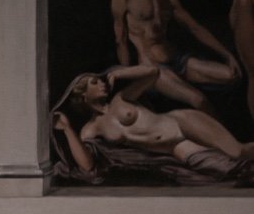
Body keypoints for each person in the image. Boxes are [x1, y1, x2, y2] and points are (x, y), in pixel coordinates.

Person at [52, 65, 254, 177]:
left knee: (238, 151)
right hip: (175, 148)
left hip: (182, 123)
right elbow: (87, 166)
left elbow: (153, 73)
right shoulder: (91, 129)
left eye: (100, 79)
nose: (102, 83)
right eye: (93, 83)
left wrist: (119, 73)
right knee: (227, 168)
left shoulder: (120, 99)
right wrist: (68, 129)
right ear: (82, 96)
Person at [110, 0, 240, 110]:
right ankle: (224, 136)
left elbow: (195, 28)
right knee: (199, 100)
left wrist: (227, 55)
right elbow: (121, 40)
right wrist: (131, 79)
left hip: (178, 60)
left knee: (232, 75)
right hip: (153, 68)